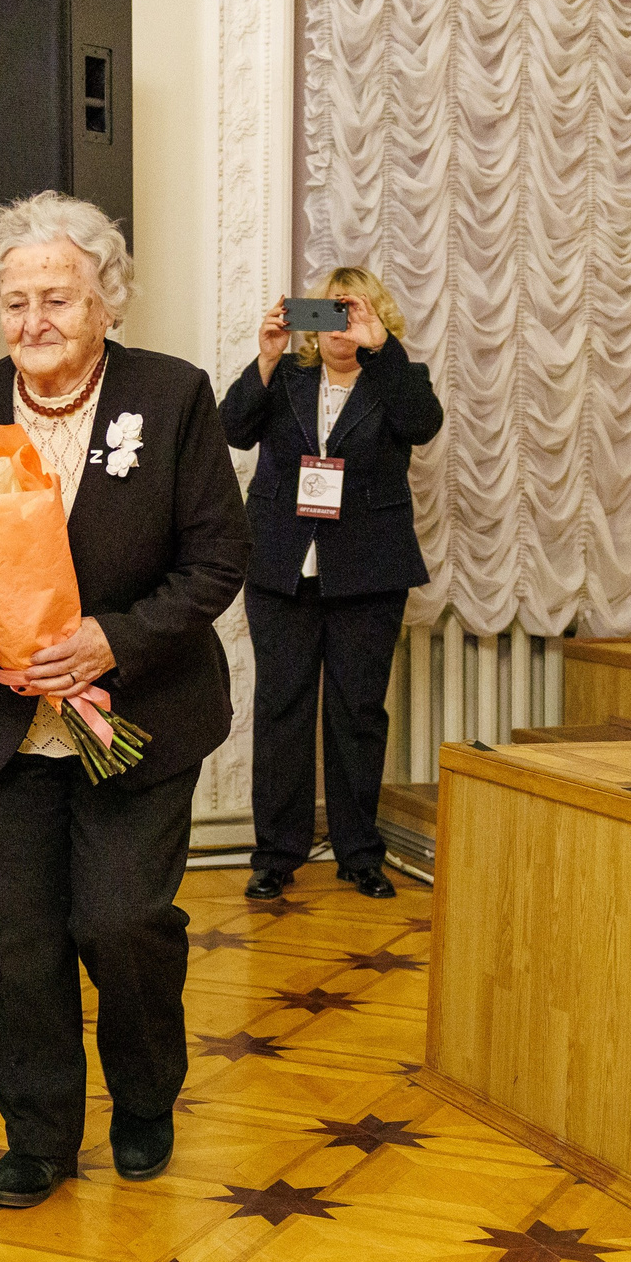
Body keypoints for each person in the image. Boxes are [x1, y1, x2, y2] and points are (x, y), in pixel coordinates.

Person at [0, 192, 250, 1209]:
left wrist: (113, 640)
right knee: (19, 941)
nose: (33, 321)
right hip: (4, 723)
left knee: (121, 921)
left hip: (138, 720)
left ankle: (145, 1096)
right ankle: (39, 1136)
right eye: (14, 302)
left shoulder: (172, 396)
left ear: (106, 300)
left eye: (57, 297)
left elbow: (217, 558)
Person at [222, 267, 442, 901]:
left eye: (356, 311)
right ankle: (276, 854)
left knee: (357, 714)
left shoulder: (399, 379)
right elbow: (231, 429)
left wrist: (381, 351)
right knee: (282, 709)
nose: (343, 324)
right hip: (282, 568)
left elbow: (422, 423)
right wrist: (264, 358)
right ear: (309, 322)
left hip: (368, 573)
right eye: (331, 312)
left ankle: (358, 853)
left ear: (377, 317)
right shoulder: (286, 378)